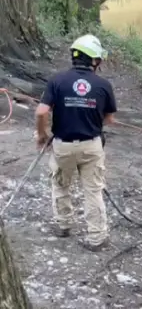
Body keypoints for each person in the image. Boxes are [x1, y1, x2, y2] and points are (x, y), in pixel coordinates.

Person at [35, 34, 117, 252]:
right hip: (92, 146)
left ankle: (64, 225)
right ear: (95, 61)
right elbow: (109, 119)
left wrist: (42, 135)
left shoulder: (57, 80)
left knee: (61, 185)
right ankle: (97, 237)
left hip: (63, 145)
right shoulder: (103, 84)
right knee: (93, 190)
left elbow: (42, 111)